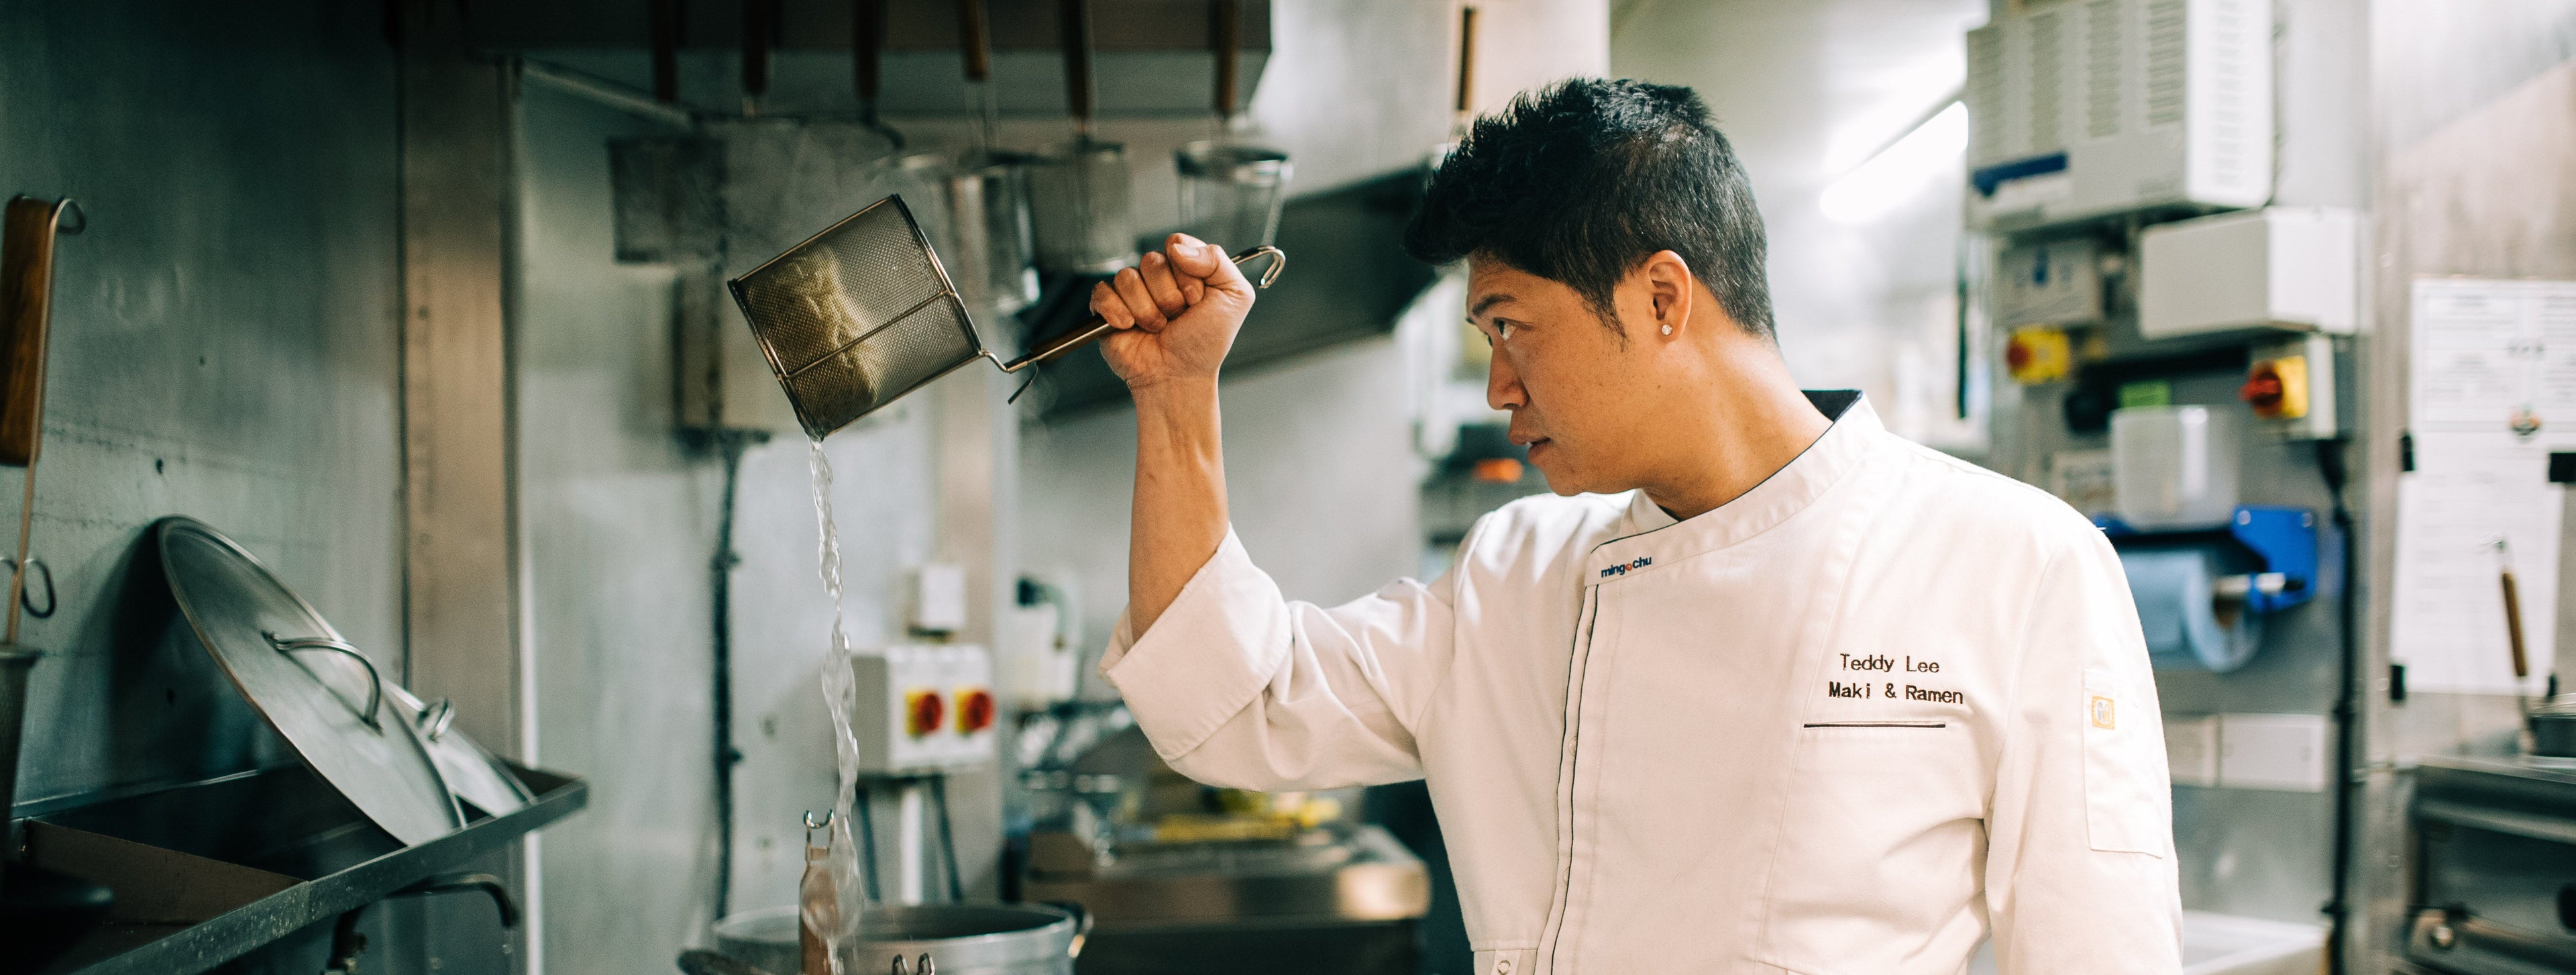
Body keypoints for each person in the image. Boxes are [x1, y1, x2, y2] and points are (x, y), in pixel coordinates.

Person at [1083, 79, 2180, 975]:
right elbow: (1235, 700)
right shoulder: (1517, 576)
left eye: (1510, 326)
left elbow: (2100, 952)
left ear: (1664, 297)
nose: (1498, 389)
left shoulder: (2015, 563)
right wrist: (1177, 397)